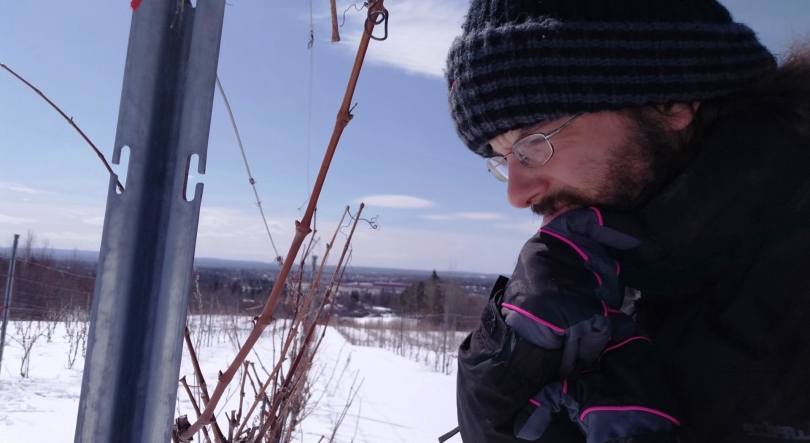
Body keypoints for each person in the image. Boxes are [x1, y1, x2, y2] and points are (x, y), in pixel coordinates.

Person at [443, 0, 810, 442]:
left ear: (670, 98)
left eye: (532, 144)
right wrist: (505, 400)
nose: (517, 195)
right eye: (504, 160)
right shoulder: (635, 282)